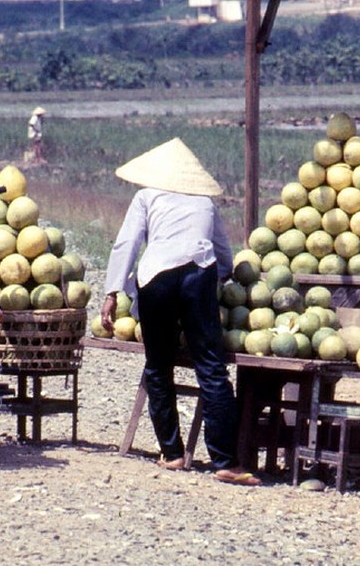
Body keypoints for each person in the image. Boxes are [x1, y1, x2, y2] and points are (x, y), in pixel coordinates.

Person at [99, 138, 260, 486]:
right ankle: (225, 462)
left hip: (155, 278)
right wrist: (223, 277)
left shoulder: (146, 197)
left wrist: (112, 292)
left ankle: (172, 454)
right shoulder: (204, 201)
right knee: (211, 369)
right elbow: (222, 251)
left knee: (159, 366)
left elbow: (127, 243)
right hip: (197, 276)